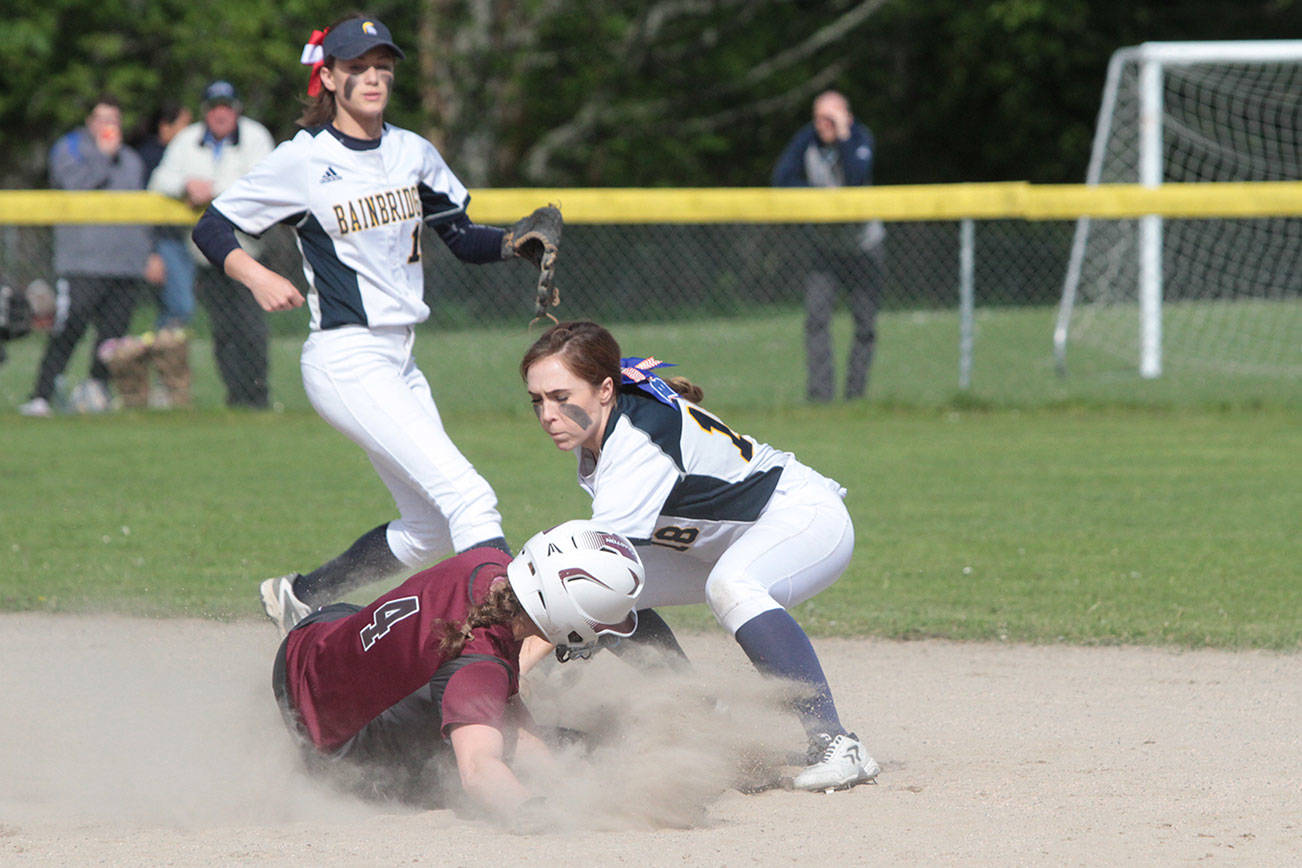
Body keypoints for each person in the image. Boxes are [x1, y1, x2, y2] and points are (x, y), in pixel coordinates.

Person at [189, 14, 565, 634]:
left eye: (382, 66)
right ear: (329, 77)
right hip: (346, 357)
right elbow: (212, 227)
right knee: (470, 497)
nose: (372, 77)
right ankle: (501, 644)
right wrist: (256, 277)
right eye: (357, 66)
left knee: (428, 529)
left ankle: (301, 596)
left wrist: (511, 245)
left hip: (400, 359)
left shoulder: (412, 151)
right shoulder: (305, 161)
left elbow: (461, 237)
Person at [519, 320, 879, 792]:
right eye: (538, 400)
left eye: (561, 395)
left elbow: (583, 577)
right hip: (725, 540)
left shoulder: (637, 444)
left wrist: (515, 665)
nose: (548, 413)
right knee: (620, 594)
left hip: (803, 518)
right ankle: (704, 718)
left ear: (606, 389)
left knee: (728, 587)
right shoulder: (603, 427)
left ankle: (836, 743)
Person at [273, 520, 644, 820]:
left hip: (313, 640)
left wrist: (557, 773)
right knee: (559, 746)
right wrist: (539, 812)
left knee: (516, 724)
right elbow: (479, 772)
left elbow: (508, 704)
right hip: (333, 745)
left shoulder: (488, 563)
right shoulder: (477, 666)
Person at [19, 95, 154, 418]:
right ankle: (42, 395)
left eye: (114, 120)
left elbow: (140, 210)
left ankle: (97, 392)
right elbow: (73, 187)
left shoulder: (132, 160)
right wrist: (103, 159)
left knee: (112, 339)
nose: (108, 127)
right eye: (101, 119)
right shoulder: (70, 149)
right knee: (69, 330)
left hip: (123, 265)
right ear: (90, 122)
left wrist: (148, 254)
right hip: (81, 263)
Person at [150, 79, 275, 408]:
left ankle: (257, 395)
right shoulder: (188, 140)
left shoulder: (256, 136)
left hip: (248, 252)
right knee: (224, 330)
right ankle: (236, 395)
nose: (221, 114)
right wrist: (186, 185)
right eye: (214, 107)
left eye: (227, 107)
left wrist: (215, 188)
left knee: (251, 327)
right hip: (207, 255)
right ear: (206, 112)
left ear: (237, 110)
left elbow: (266, 179)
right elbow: (160, 180)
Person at [772, 89, 884, 402]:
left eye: (830, 118)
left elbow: (857, 178)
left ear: (846, 117)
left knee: (865, 324)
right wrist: (817, 195)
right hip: (824, 248)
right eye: (819, 117)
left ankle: (855, 397)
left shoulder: (860, 138)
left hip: (864, 246)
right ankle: (820, 397)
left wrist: (845, 136)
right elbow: (781, 179)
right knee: (816, 321)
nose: (823, 124)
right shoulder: (807, 140)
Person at [134, 100, 196, 332]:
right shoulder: (149, 157)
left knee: (178, 308)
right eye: (184, 124)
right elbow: (142, 212)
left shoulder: (182, 156)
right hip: (161, 241)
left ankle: (168, 360)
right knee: (179, 308)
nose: (189, 131)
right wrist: (151, 253)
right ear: (165, 126)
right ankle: (164, 359)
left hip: (180, 239)